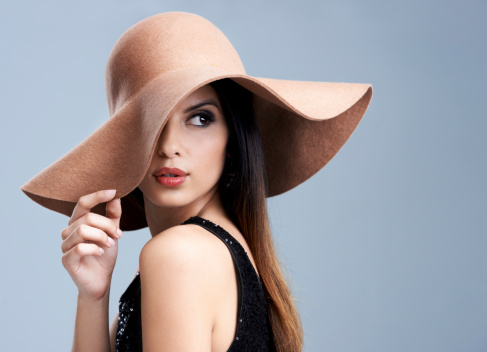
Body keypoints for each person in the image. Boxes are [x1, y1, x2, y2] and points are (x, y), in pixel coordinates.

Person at [20, 12, 372, 352]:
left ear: (232, 143)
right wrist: (93, 296)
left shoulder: (179, 256)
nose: (170, 146)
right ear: (123, 147)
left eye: (201, 118)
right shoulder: (215, 252)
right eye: (151, 121)